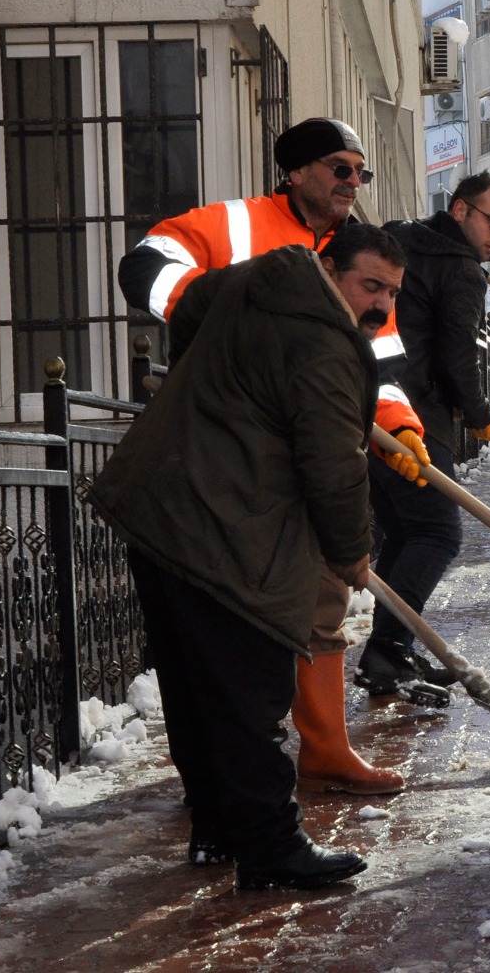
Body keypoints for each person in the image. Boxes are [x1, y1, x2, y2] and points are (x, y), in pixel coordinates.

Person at [91, 224, 407, 889]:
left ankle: (216, 827)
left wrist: (213, 397)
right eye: (369, 285)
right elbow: (332, 465)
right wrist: (351, 552)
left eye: (389, 292)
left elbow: (188, 312)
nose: (378, 304)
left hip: (158, 505)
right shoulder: (326, 343)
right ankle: (270, 847)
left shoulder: (251, 280)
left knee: (192, 683)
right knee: (250, 692)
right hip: (225, 527)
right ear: (331, 268)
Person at [117, 117, 422, 796]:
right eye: (340, 168)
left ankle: (325, 748)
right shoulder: (233, 225)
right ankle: (222, 775)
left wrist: (400, 429)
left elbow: (379, 366)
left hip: (312, 452)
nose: (353, 183)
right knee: (228, 624)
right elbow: (143, 263)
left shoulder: (361, 261)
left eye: (360, 172)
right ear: (297, 172)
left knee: (323, 601)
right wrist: (212, 308)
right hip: (236, 455)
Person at [362, 173, 490, 696]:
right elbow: (458, 358)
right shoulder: (462, 270)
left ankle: (389, 652)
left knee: (404, 535)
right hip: (417, 421)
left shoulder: (397, 240)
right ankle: (388, 650)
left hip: (369, 412)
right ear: (459, 211)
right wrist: (479, 412)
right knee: (437, 533)